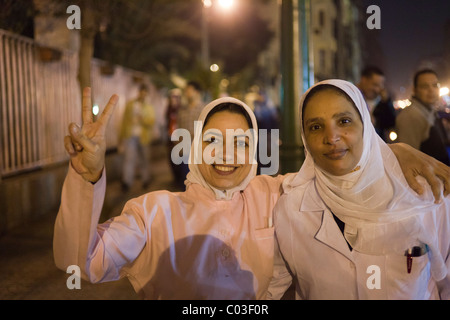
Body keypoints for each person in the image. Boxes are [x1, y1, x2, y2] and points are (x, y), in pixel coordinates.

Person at [56, 88, 449, 300]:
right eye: (213, 140)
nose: (227, 154)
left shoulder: (279, 192)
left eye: (241, 142)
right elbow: (82, 264)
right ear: (195, 148)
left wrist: (389, 152)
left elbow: (337, 165)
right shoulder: (154, 211)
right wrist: (85, 178)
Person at [267, 80, 449, 300]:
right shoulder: (291, 207)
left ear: (366, 126)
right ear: (305, 138)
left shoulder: (424, 195)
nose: (331, 138)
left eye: (344, 121)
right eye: (316, 127)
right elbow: (273, 289)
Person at [396, 69, 450, 165]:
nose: (431, 90)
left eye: (435, 85)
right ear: (415, 90)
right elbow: (408, 160)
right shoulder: (410, 116)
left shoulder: (430, 110)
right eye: (425, 86)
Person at [119, 84, 156, 191]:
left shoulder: (149, 107)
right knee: (129, 159)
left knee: (144, 159)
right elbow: (124, 121)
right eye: (141, 92)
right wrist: (121, 138)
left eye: (145, 93)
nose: (143, 95)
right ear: (139, 92)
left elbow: (151, 121)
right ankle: (126, 181)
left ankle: (145, 179)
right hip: (130, 135)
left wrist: (142, 119)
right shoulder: (130, 105)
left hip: (144, 137)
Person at [176, 80, 205, 188]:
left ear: (197, 92)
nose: (186, 93)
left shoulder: (204, 109)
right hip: (185, 149)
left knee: (199, 181)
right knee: (185, 179)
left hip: (199, 150)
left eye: (189, 90)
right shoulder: (182, 110)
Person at [357, 66, 396, 142]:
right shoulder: (350, 98)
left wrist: (387, 102)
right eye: (375, 85)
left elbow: (391, 124)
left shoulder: (383, 103)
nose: (378, 90)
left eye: (380, 85)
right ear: (363, 80)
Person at [165, 88, 184, 188]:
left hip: (180, 137)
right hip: (170, 137)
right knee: (171, 157)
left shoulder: (182, 109)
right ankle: (175, 178)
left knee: (180, 158)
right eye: (172, 97)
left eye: (176, 97)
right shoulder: (169, 109)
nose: (174, 99)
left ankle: (180, 178)